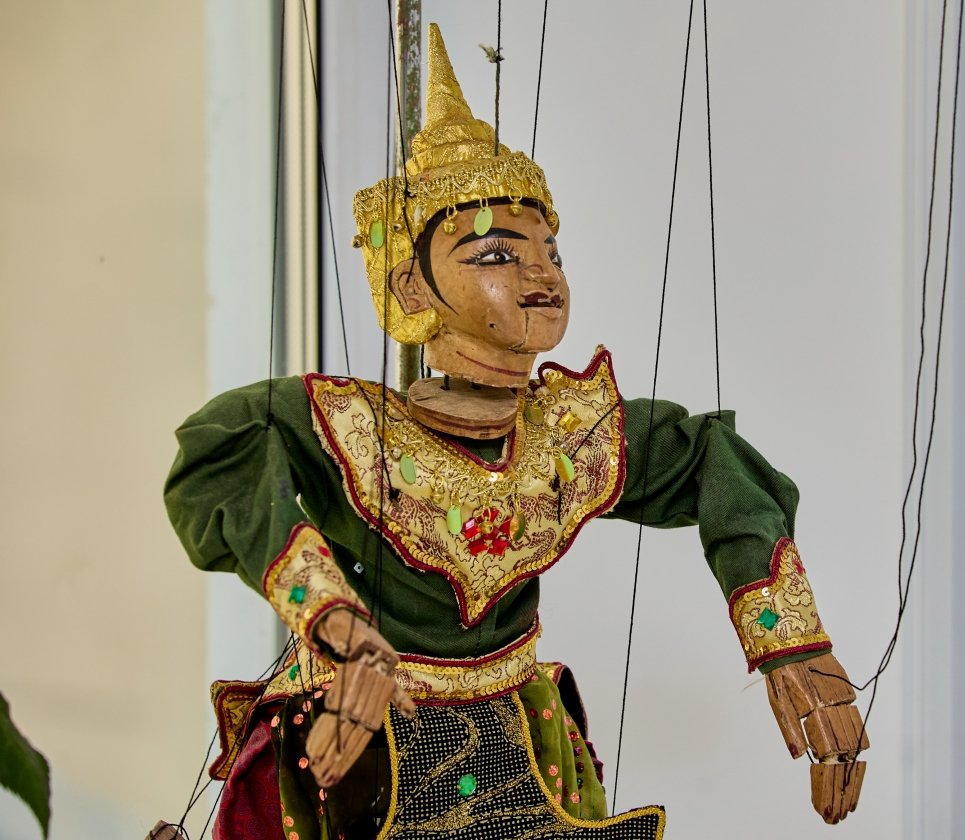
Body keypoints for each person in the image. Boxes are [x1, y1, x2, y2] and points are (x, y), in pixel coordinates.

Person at [164, 24, 866, 840]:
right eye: (496, 254)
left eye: (550, 251)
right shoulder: (352, 429)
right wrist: (339, 625)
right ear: (411, 286)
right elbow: (218, 455)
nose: (540, 274)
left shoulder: (569, 435)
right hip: (357, 746)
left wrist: (791, 644)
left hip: (521, 751)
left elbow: (712, 461)